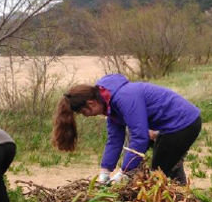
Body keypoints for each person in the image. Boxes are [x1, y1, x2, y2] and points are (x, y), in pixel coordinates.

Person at [52, 73, 201, 185]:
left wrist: (124, 172)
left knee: (158, 174)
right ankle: (182, 197)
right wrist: (105, 171)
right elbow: (114, 140)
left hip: (183, 123)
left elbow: (139, 136)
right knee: (165, 165)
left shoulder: (124, 97)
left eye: (83, 112)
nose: (85, 116)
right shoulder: (109, 105)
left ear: (90, 104)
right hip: (167, 127)